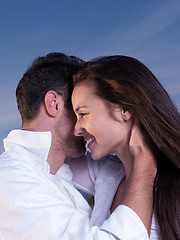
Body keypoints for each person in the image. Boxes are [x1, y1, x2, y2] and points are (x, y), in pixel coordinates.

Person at [0, 52, 155, 240]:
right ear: (54, 104)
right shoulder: (13, 180)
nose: (79, 128)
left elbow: (110, 166)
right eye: (77, 111)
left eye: (82, 111)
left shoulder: (54, 168)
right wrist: (145, 167)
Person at [72, 55, 180, 240]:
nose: (76, 129)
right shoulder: (108, 175)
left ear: (124, 109)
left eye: (83, 114)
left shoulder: (174, 189)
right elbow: (42, 162)